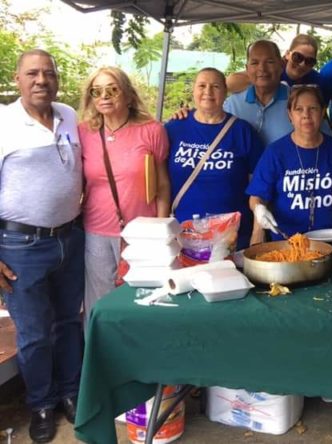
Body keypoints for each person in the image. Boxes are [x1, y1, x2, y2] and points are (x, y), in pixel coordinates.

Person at [0, 49, 84, 443]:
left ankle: (70, 393)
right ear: (17, 80)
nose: (41, 80)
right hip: (20, 245)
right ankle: (41, 404)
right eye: (32, 73)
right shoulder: (3, 123)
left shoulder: (68, 115)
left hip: (70, 237)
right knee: (34, 333)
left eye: (48, 73)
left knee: (69, 322)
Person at [79, 67, 170, 317]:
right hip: (96, 232)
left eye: (112, 89)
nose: (104, 96)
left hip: (142, 233)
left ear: (128, 95)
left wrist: (160, 231)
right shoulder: (84, 132)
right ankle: (97, 354)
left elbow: (162, 184)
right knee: (99, 304)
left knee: (139, 300)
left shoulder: (151, 130)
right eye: (96, 91)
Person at [165, 68, 263, 250]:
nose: (208, 92)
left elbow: (259, 185)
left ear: (225, 92)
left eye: (215, 86)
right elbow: (159, 179)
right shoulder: (174, 128)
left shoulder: (242, 131)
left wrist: (257, 230)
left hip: (231, 238)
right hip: (183, 236)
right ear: (193, 90)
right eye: (202, 86)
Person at [246, 86, 332, 243]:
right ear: (290, 114)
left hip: (331, 238)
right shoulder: (276, 152)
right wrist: (259, 210)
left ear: (323, 112)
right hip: (286, 242)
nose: (306, 115)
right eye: (299, 109)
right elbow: (257, 195)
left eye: (313, 108)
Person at [226, 34, 322, 93]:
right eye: (298, 57)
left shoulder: (317, 81)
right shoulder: (274, 68)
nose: (302, 64)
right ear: (287, 54)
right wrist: (268, 79)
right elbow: (229, 83)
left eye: (309, 61)